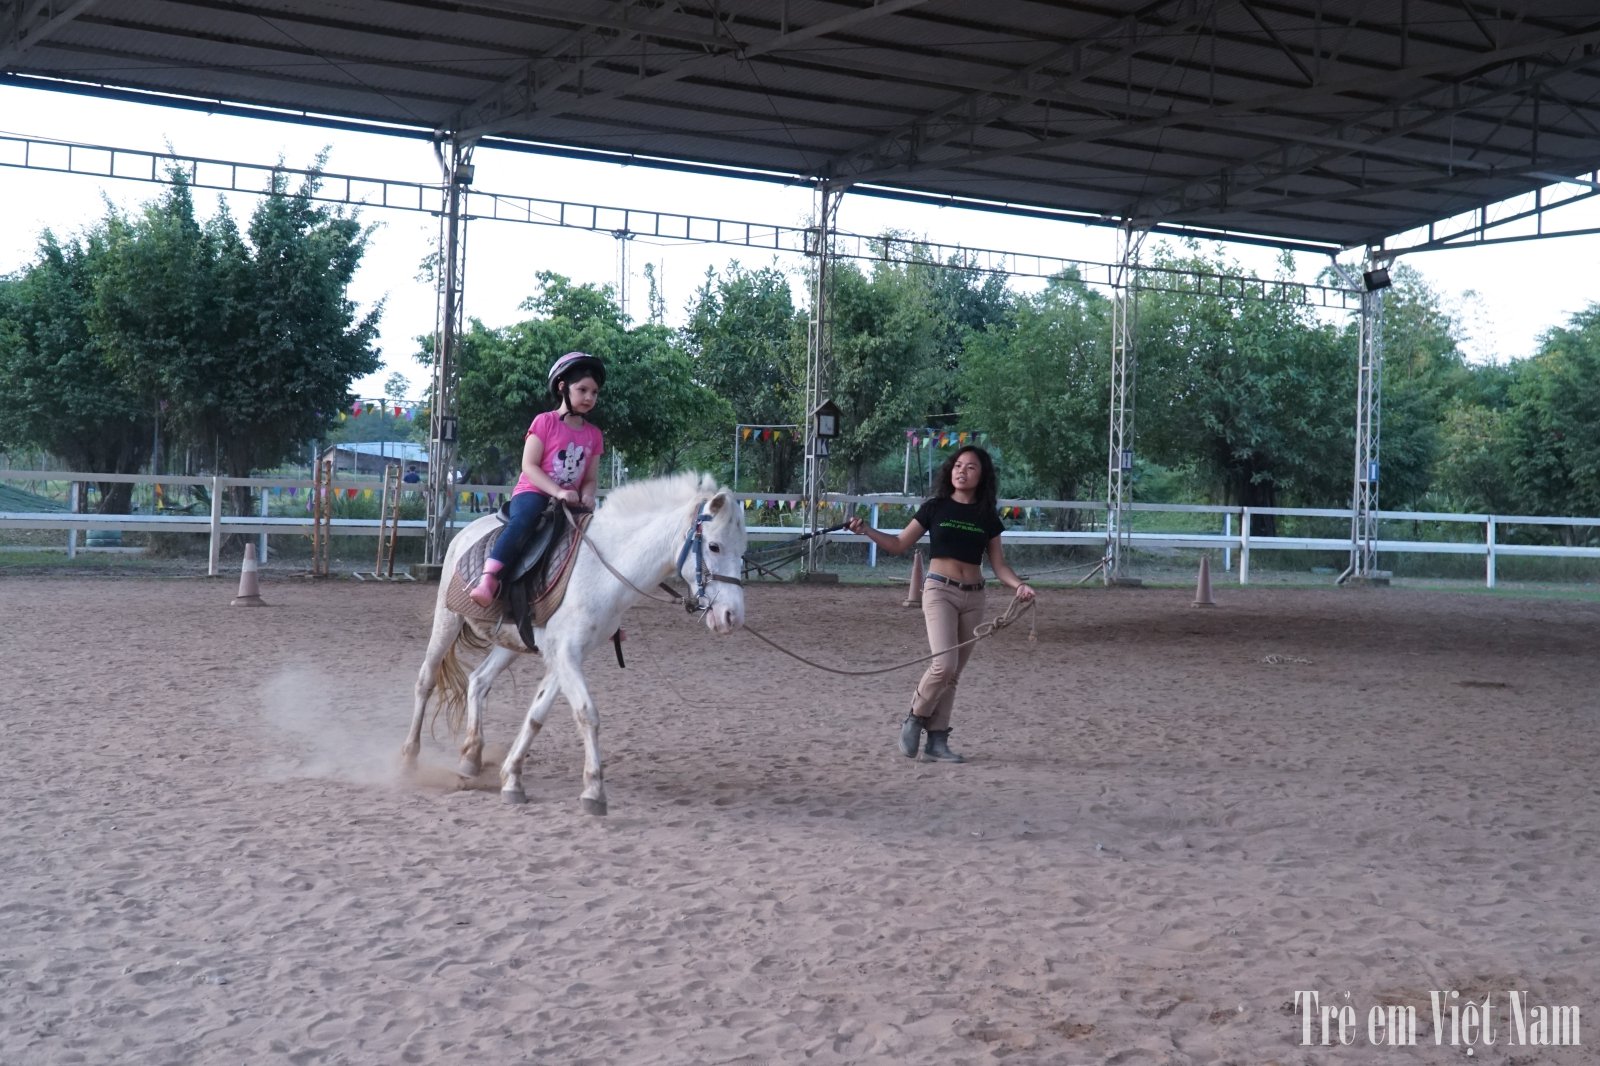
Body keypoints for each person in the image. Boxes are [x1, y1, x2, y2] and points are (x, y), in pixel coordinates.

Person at [845, 445, 1035, 763]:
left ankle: (937, 741)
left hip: (975, 596)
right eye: (957, 465)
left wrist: (1019, 586)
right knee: (943, 665)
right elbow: (898, 544)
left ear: (982, 475)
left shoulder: (987, 516)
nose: (962, 471)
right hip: (939, 591)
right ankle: (915, 718)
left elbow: (1000, 565)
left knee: (954, 674)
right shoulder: (935, 508)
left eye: (971, 467)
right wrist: (866, 530)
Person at [469, 352, 606, 607]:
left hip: (570, 499)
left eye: (595, 392)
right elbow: (529, 466)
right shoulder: (544, 422)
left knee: (597, 539)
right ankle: (489, 578)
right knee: (524, 520)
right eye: (583, 389)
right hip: (535, 492)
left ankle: (602, 610)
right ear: (563, 388)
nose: (589, 397)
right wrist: (557, 491)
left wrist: (588, 494)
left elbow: (589, 477)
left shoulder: (594, 435)